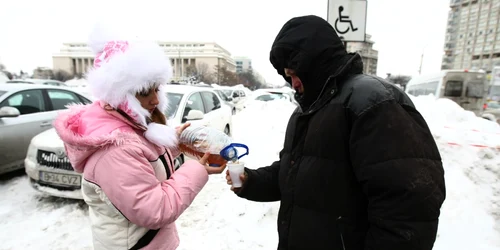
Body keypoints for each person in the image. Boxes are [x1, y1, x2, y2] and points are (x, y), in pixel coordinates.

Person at [226, 15, 446, 250]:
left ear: (313, 63)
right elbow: (293, 171)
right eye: (287, 76)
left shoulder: (372, 102)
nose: (293, 84)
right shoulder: (307, 110)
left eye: (294, 73)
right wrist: (249, 181)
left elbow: (408, 211)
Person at [54, 24, 226, 250]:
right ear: (120, 95)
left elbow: (143, 159)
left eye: (157, 89)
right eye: (145, 92)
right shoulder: (115, 149)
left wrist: (176, 143)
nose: (155, 100)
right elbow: (156, 210)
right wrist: (198, 169)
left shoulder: (128, 127)